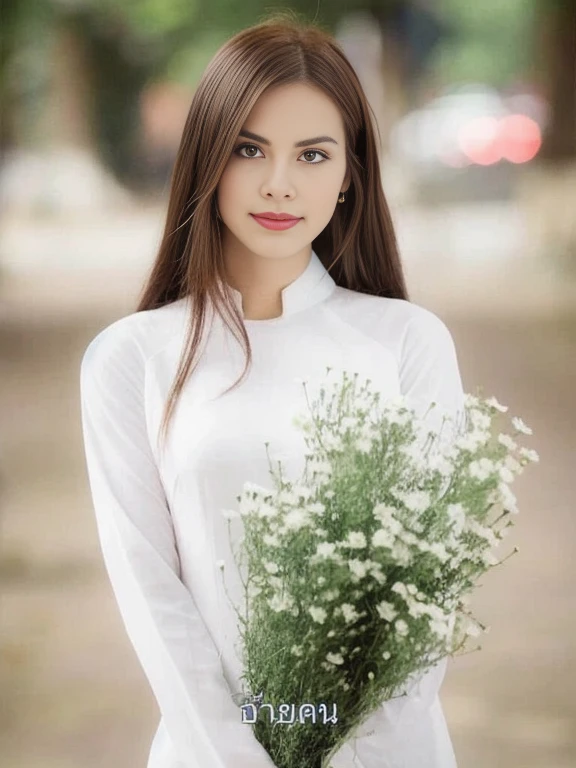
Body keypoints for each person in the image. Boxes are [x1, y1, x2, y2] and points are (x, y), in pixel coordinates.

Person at [79, 12, 465, 768]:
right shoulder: (133, 357)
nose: (280, 183)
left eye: (313, 155)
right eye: (249, 149)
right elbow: (152, 593)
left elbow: (425, 600)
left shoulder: (407, 344)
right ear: (206, 159)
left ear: (351, 175)